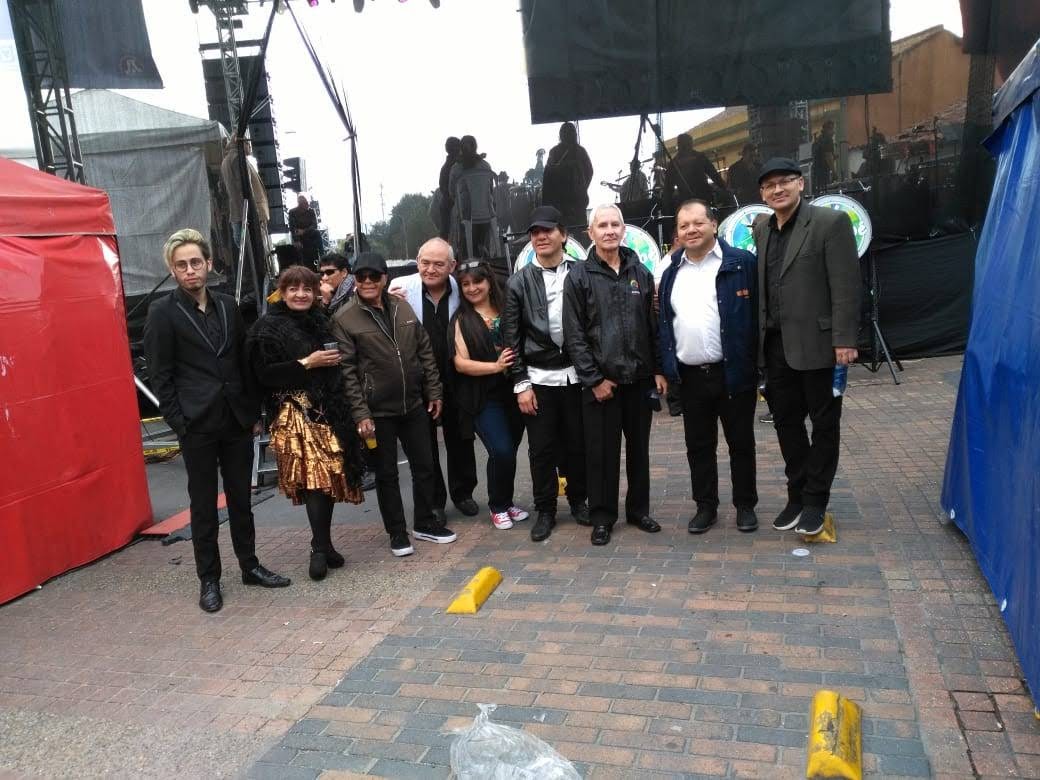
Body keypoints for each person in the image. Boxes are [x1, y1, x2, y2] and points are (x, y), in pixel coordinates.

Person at [144, 229, 289, 613]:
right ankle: (209, 579)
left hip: (236, 420)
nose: (190, 270)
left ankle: (250, 565)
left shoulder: (228, 305)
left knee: (242, 499)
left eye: (195, 262)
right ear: (172, 271)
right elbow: (161, 374)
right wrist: (180, 422)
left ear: (208, 264)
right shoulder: (162, 313)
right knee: (204, 505)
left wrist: (252, 412)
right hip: (197, 424)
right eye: (181, 265)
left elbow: (244, 363)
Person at [752, 158, 861, 536]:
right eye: (769, 186)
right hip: (776, 346)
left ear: (801, 184)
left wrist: (845, 339)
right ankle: (796, 495)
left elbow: (846, 285)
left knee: (824, 424)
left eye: (784, 182)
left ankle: (816, 501)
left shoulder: (830, 223)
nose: (777, 190)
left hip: (820, 345)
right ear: (762, 195)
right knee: (786, 424)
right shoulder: (761, 229)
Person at [330, 252, 455, 556]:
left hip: (413, 404)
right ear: (355, 280)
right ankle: (397, 533)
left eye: (374, 276)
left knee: (425, 466)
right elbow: (347, 371)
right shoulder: (344, 318)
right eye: (362, 277)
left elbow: (424, 351)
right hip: (377, 412)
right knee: (387, 474)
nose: (369, 282)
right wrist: (360, 413)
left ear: (385, 277)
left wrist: (434, 392)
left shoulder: (402, 306)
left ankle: (425, 522)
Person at [247, 266, 366, 580]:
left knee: (326, 480)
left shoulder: (323, 322)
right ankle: (318, 547)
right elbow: (263, 374)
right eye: (293, 289)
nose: (300, 294)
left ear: (316, 293)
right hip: (294, 413)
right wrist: (306, 363)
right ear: (282, 292)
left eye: (307, 289)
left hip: (328, 411)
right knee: (315, 480)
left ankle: (323, 545)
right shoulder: (266, 327)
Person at [563, 204, 667, 546]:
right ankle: (603, 517)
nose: (609, 230)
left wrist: (656, 370)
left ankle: (638, 511)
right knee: (602, 454)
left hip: (638, 381)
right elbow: (574, 334)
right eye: (602, 225)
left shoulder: (640, 271)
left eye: (615, 224)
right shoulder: (578, 276)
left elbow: (651, 327)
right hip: (601, 385)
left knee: (639, 451)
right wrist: (594, 379)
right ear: (590, 233)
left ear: (624, 230)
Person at [658, 200, 759, 535]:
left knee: (741, 443)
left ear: (714, 224)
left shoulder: (742, 263)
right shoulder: (671, 270)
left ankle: (745, 506)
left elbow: (759, 316)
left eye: (698, 223)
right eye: (684, 225)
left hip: (732, 372)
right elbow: (664, 323)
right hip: (690, 377)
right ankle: (706, 506)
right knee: (699, 447)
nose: (691, 230)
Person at [502, 206, 590, 542]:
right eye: (534, 232)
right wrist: (521, 383)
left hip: (577, 376)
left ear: (563, 235)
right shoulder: (518, 282)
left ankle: (580, 501)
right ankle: (545, 510)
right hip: (537, 379)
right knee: (541, 449)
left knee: (577, 444)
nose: (540, 237)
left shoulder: (582, 273)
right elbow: (512, 339)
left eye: (547, 230)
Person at [388, 238, 479, 521]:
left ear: (451, 266)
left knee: (461, 437)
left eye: (439, 264)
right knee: (424, 444)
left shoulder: (463, 289)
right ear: (417, 262)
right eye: (425, 262)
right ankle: (434, 501)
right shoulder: (399, 289)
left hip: (457, 377)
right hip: (419, 379)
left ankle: (463, 493)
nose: (430, 269)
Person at [451, 261, 529, 530]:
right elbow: (460, 363)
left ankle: (507, 503)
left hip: (515, 392)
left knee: (510, 450)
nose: (473, 288)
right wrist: (495, 367)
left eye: (477, 282)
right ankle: (497, 506)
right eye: (466, 284)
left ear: (488, 282)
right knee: (501, 449)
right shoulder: (461, 318)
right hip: (482, 397)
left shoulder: (508, 308)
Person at [448, 135, 498, 259]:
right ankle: (484, 250)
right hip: (487, 215)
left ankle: (467, 255)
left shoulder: (456, 168)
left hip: (467, 217)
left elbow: (452, 192)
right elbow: (490, 191)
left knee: (458, 215)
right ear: (475, 147)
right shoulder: (485, 166)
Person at [220, 135, 270, 251]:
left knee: (246, 248)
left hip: (239, 212)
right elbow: (245, 188)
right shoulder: (238, 159)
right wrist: (254, 211)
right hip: (247, 213)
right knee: (254, 250)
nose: (250, 146)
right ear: (241, 143)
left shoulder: (227, 160)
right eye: (247, 143)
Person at [542, 122, 594, 229]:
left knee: (565, 234)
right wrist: (582, 189)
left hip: (566, 203)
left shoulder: (557, 152)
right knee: (577, 232)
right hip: (568, 203)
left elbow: (548, 175)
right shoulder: (579, 151)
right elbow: (590, 172)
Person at [663, 135, 726, 211]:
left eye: (687, 144)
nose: (686, 147)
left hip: (698, 198)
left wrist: (724, 187)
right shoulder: (674, 163)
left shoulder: (698, 157)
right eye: (684, 144)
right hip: (692, 199)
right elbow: (668, 188)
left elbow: (714, 175)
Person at [437, 136, 461, 240]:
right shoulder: (459, 165)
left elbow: (442, 186)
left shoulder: (446, 166)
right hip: (455, 200)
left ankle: (444, 239)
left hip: (449, 200)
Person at [288, 195, 323, 267]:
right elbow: (292, 227)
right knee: (299, 248)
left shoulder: (311, 211)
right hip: (299, 236)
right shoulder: (292, 212)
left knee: (317, 233)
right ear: (300, 205)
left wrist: (304, 231)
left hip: (310, 233)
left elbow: (314, 225)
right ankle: (302, 265)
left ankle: (322, 257)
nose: (307, 205)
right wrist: (296, 240)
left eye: (307, 203)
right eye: (305, 204)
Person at [319, 251, 355, 316]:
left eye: (329, 272)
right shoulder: (331, 292)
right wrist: (325, 300)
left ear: (344, 272)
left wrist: (326, 301)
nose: (324, 278)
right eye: (322, 274)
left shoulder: (355, 292)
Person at [811, 120, 837, 193]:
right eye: (832, 129)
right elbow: (828, 157)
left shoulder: (819, 139)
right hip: (823, 172)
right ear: (827, 129)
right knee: (827, 191)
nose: (833, 132)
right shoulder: (828, 139)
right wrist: (834, 172)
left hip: (815, 172)